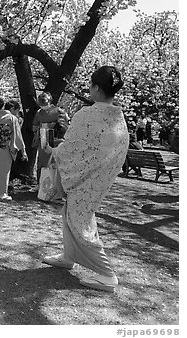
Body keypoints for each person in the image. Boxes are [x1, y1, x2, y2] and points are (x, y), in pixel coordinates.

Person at [41, 66, 129, 292]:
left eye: (91, 85)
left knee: (80, 222)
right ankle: (68, 256)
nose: (89, 89)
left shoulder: (86, 115)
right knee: (72, 214)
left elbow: (72, 147)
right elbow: (110, 150)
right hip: (99, 177)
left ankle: (107, 274)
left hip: (83, 177)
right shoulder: (118, 117)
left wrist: (56, 150)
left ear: (97, 88)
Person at [0, 97, 28, 201]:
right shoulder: (12, 118)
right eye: (16, 110)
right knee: (4, 171)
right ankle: (2, 193)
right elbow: (18, 136)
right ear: (12, 108)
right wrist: (23, 150)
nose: (17, 113)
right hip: (5, 147)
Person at [32, 92, 70, 181]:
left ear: (49, 101)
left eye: (44, 104)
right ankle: (41, 182)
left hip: (56, 137)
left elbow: (66, 125)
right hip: (43, 136)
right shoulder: (39, 112)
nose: (42, 106)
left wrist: (51, 125)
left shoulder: (59, 111)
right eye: (41, 104)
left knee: (55, 161)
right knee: (42, 161)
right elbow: (34, 127)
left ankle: (55, 183)